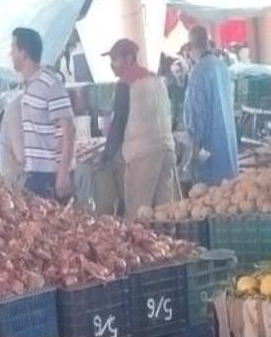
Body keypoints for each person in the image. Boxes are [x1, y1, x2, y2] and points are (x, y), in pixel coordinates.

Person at [98, 37, 178, 219]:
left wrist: (106, 156)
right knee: (165, 215)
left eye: (115, 59)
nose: (112, 64)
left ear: (128, 59)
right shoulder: (157, 79)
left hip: (142, 155)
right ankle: (168, 246)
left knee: (138, 216)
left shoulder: (126, 84)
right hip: (167, 150)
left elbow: (118, 123)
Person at [9, 26, 75, 199]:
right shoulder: (29, 86)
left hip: (51, 175)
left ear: (24, 53)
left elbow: (69, 128)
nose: (10, 54)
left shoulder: (50, 84)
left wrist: (63, 173)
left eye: (13, 49)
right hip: (35, 173)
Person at [181, 23, 238, 186]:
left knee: (210, 200)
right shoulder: (221, 66)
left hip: (209, 148)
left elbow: (197, 114)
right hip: (227, 140)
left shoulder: (198, 72)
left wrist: (194, 146)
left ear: (191, 47)